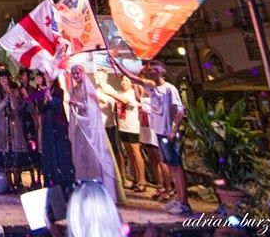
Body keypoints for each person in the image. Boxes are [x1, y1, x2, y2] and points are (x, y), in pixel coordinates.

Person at [126, 61, 190, 214]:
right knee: (171, 166)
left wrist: (173, 130)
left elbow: (180, 110)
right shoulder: (153, 88)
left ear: (162, 71)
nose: (151, 73)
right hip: (160, 133)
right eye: (150, 71)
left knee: (176, 167)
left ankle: (184, 204)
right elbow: (133, 78)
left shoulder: (169, 89)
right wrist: (116, 63)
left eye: (155, 70)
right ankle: (179, 200)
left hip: (169, 133)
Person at [68, 65, 120, 204]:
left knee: (94, 157)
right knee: (82, 157)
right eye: (73, 73)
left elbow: (92, 108)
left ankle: (98, 191)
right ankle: (85, 190)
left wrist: (78, 104)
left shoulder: (88, 88)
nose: (76, 75)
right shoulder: (75, 89)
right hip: (81, 126)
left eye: (78, 73)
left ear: (83, 73)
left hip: (91, 128)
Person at [33, 73, 74, 193]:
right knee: (49, 152)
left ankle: (63, 183)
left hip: (58, 125)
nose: (48, 77)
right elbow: (40, 110)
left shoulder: (59, 91)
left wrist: (50, 98)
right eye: (46, 75)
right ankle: (51, 183)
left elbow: (58, 107)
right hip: (47, 126)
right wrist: (45, 100)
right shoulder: (41, 92)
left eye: (50, 75)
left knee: (60, 152)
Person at [0, 68, 29, 193]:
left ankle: (17, 183)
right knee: (6, 156)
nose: (3, 81)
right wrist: (6, 98)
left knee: (16, 155)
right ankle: (9, 184)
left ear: (9, 79)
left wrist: (11, 94)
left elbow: (16, 107)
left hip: (15, 126)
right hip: (3, 126)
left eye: (5, 78)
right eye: (1, 79)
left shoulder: (16, 91)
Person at [114, 75, 147, 192]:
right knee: (129, 153)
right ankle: (135, 179)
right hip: (123, 126)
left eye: (127, 80)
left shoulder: (133, 94)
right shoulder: (119, 93)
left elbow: (130, 102)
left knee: (136, 152)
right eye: (123, 80)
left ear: (131, 82)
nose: (124, 82)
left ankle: (142, 180)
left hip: (133, 126)